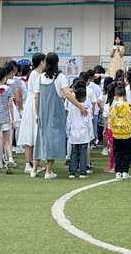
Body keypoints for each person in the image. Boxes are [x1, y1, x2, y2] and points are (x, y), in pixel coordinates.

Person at [33, 52, 88, 180]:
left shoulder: (40, 77)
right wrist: (80, 106)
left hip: (43, 114)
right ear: (57, 63)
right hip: (56, 114)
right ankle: (48, 171)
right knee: (53, 141)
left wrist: (37, 114)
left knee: (41, 140)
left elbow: (36, 97)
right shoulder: (60, 77)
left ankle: (34, 169)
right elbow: (67, 95)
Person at [17, 53, 44, 174]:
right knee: (30, 133)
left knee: (34, 133)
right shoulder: (35, 74)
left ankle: (33, 162)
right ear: (41, 62)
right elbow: (36, 92)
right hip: (33, 103)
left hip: (34, 102)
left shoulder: (37, 74)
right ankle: (28, 163)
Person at [109, 85, 131, 179]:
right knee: (127, 153)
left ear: (115, 97)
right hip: (127, 133)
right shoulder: (129, 107)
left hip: (116, 133)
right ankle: (125, 171)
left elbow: (111, 119)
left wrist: (113, 128)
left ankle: (118, 171)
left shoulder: (113, 107)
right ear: (125, 96)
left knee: (117, 152)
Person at [67, 85, 91, 179]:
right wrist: (91, 135)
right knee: (83, 153)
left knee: (74, 153)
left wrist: (68, 132)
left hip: (74, 134)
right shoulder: (86, 109)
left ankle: (72, 172)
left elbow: (68, 122)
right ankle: (82, 172)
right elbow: (89, 124)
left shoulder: (71, 110)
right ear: (85, 98)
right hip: (84, 134)